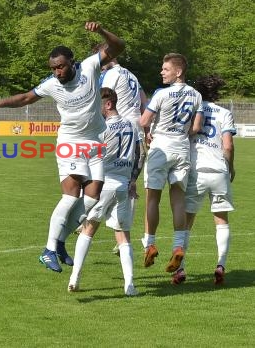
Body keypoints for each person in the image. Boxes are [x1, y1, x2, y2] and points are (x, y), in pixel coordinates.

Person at [0, 21, 125, 273]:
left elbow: (118, 46)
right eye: (53, 68)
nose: (57, 72)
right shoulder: (51, 84)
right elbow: (26, 97)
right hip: (69, 143)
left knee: (92, 198)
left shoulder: (91, 66)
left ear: (72, 61)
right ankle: (49, 249)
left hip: (94, 141)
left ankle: (59, 241)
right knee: (70, 197)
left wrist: (101, 31)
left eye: (61, 66)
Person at [68, 88, 142, 296]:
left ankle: (74, 278)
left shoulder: (100, 129)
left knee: (88, 230)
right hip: (123, 186)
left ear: (108, 104)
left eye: (96, 105)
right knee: (123, 237)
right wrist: (133, 179)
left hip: (103, 185)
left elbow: (87, 158)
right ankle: (129, 286)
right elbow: (139, 154)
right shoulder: (131, 124)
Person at [139, 53, 202, 276]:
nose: (162, 72)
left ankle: (150, 244)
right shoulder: (196, 95)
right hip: (182, 148)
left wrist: (148, 131)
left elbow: (144, 121)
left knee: (152, 197)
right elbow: (195, 128)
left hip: (161, 147)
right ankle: (177, 246)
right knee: (177, 199)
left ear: (178, 71)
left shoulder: (161, 94)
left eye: (166, 69)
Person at [173, 75, 235, 286]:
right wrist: (230, 167)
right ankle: (220, 264)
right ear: (217, 93)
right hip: (218, 170)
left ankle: (180, 269)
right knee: (221, 220)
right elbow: (227, 146)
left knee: (187, 222)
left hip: (196, 171)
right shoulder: (225, 113)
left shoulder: (193, 112)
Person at [96, 45, 148, 255]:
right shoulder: (132, 75)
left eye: (100, 61)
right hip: (135, 130)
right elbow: (145, 101)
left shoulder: (111, 74)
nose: (99, 66)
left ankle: (90, 219)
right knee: (130, 182)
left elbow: (103, 99)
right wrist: (145, 127)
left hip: (119, 130)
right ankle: (122, 233)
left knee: (104, 172)